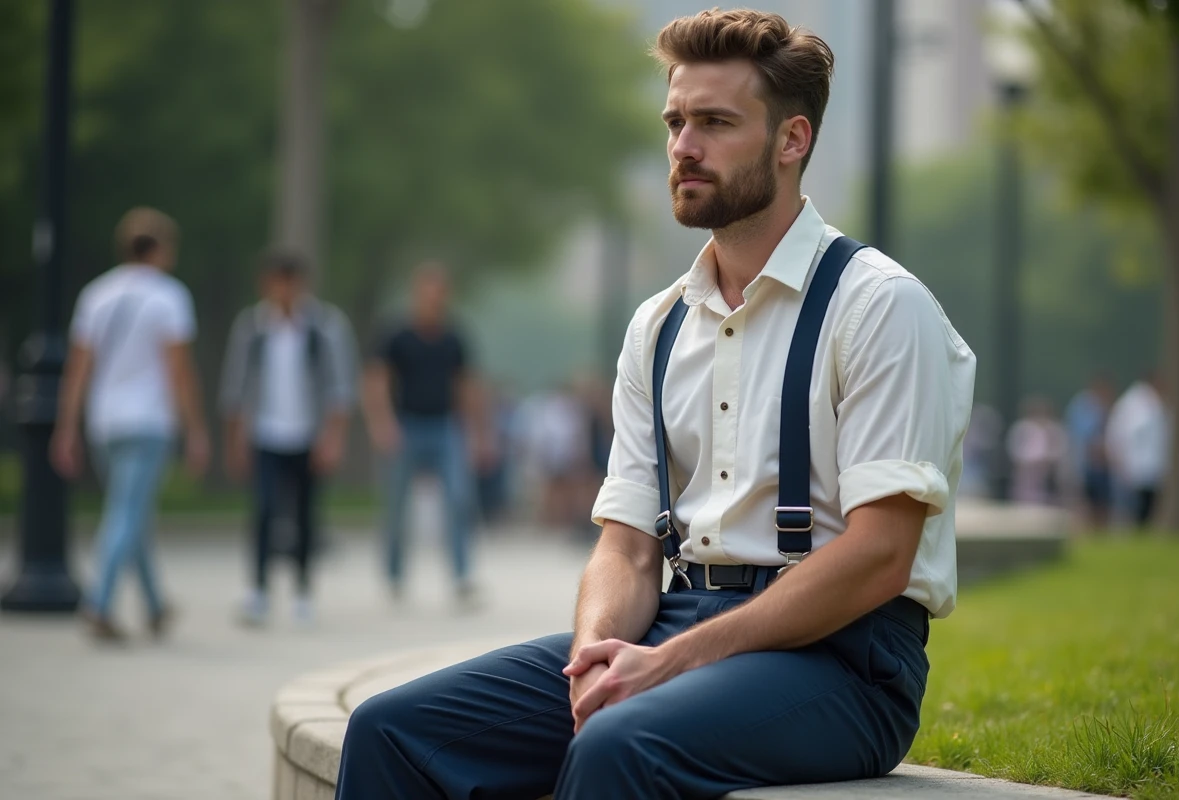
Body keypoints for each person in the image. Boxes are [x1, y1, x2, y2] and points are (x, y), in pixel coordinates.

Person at [334, 10, 976, 799]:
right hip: (678, 619)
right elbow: (629, 548)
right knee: (389, 730)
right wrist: (597, 655)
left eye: (714, 122)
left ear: (792, 140)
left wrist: (671, 662)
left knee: (619, 746)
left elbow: (882, 554)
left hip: (844, 662)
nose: (683, 147)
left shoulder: (879, 306)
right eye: (675, 121)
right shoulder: (660, 325)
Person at [50, 207, 210, 641]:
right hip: (149, 420)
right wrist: (195, 428)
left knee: (131, 512)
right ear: (157, 248)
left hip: (104, 420)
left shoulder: (96, 295)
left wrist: (66, 426)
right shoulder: (168, 297)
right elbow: (179, 369)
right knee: (125, 512)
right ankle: (99, 601)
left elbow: (78, 368)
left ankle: (156, 605)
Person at [218, 251, 358, 626]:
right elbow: (235, 387)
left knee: (306, 514)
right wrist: (235, 440)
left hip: (307, 434)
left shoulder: (324, 327)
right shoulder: (253, 328)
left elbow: (339, 389)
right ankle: (258, 589)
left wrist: (333, 438)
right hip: (265, 432)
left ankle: (302, 590)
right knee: (262, 511)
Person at [361, 264, 489, 604]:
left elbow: (466, 385)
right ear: (417, 294)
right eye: (428, 293)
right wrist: (382, 423)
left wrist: (475, 433)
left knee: (459, 499)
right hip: (407, 425)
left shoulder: (453, 337)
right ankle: (394, 574)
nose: (434, 300)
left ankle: (461, 575)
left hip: (445, 426)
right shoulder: (396, 335)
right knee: (396, 505)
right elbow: (377, 380)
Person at [1106, 373, 1168, 527]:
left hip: (1147, 467)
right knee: (1133, 507)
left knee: (1146, 506)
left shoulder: (1152, 404)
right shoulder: (1136, 404)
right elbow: (1121, 435)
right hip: (1135, 465)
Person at [1063, 376, 1114, 527]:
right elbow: (1084, 436)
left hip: (1100, 465)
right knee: (1087, 501)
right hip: (1086, 464)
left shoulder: (1103, 407)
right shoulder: (1083, 406)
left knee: (1102, 502)